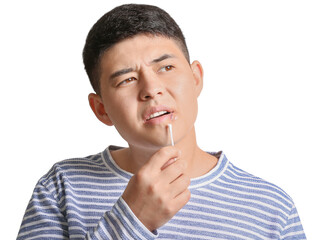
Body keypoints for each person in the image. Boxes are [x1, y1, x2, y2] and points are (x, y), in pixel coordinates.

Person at [17, 4, 306, 239]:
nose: (151, 88)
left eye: (166, 67)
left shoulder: (271, 207)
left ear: (195, 79)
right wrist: (132, 220)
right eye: (127, 79)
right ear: (101, 109)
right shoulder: (61, 187)